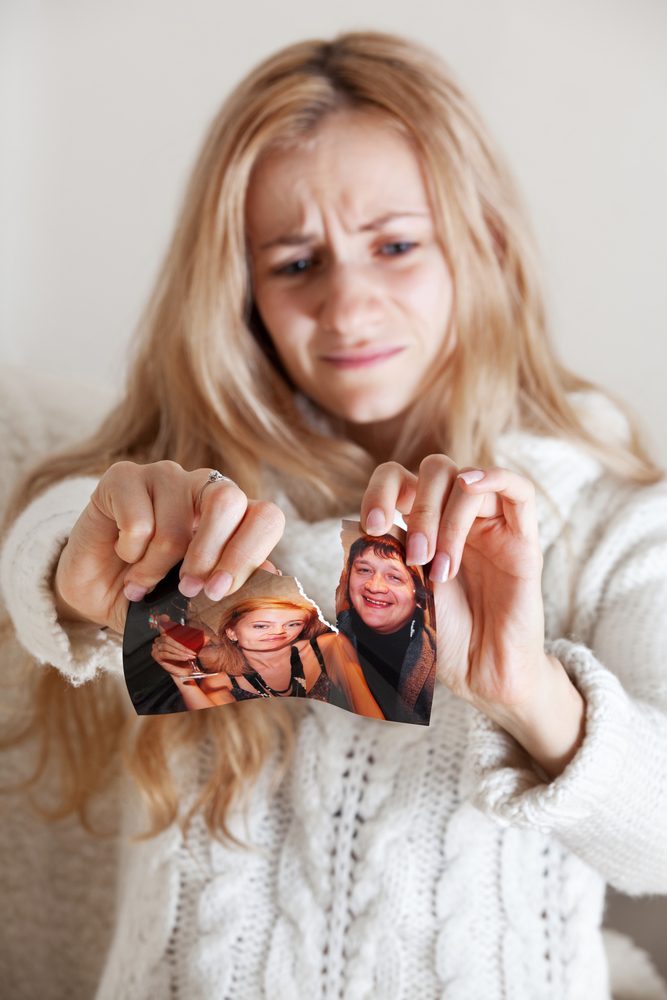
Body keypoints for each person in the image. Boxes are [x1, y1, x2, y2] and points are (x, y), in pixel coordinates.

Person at [1, 29, 666, 1000]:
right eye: (296, 261)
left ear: (478, 243)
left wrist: (528, 688)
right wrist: (84, 565)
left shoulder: (607, 517)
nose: (349, 303)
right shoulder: (191, 489)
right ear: (241, 292)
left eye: (395, 245)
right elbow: (54, 533)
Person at [150, 594, 385, 718]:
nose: (279, 633)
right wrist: (182, 679)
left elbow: (370, 713)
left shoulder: (328, 647)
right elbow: (218, 728)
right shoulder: (223, 679)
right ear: (231, 632)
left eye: (292, 623)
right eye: (261, 626)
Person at [335, 532, 437, 723]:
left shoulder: (438, 658)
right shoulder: (325, 633)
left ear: (418, 595)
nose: (374, 586)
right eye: (364, 570)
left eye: (394, 577)